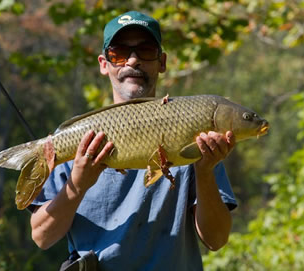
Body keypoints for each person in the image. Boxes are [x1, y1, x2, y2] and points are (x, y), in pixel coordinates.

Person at [29, 11, 237, 271]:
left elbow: (216, 240)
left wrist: (204, 172)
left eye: (146, 50)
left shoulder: (194, 135)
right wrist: (78, 185)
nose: (133, 61)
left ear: (161, 62)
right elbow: (42, 237)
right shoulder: (81, 139)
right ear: (104, 64)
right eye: (119, 53)